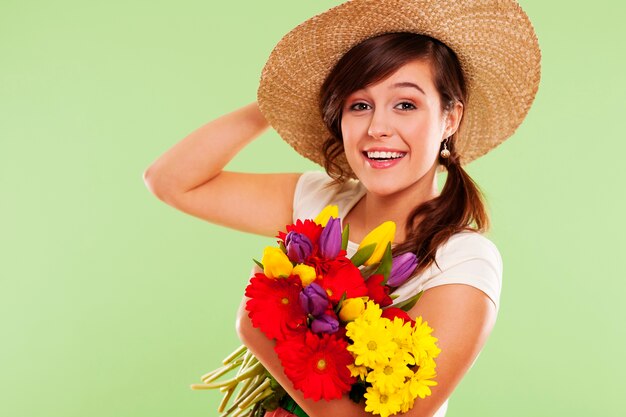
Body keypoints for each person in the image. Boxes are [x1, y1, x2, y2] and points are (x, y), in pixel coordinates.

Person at [143, 1, 540, 416]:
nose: (377, 128)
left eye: (405, 104)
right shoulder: (319, 200)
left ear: (450, 118)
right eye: (359, 105)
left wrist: (259, 329)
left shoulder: (463, 261)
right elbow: (170, 181)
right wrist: (277, 101)